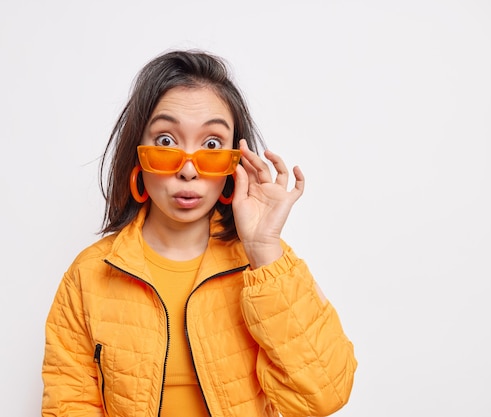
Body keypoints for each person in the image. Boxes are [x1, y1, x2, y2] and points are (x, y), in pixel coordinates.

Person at [41, 50, 357, 417]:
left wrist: (263, 248)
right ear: (137, 157)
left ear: (234, 164)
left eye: (211, 145)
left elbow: (324, 395)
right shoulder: (89, 274)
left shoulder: (266, 266)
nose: (188, 170)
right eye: (165, 141)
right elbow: (69, 406)